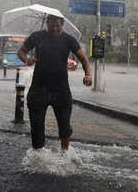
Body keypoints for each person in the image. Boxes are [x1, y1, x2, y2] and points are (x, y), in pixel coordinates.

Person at [17, 14, 92, 152]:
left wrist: (88, 75)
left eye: (58, 25)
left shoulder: (69, 39)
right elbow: (21, 51)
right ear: (47, 23)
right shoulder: (37, 36)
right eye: (52, 25)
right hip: (38, 88)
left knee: (64, 125)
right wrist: (27, 60)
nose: (55, 29)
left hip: (61, 89)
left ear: (62, 24)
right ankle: (38, 154)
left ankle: (64, 153)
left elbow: (83, 58)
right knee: (37, 125)